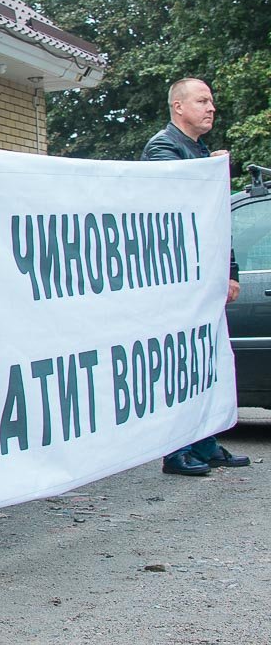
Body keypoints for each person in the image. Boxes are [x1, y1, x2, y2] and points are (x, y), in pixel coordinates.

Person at [141, 77, 250, 476]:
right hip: (177, 279)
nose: (211, 107)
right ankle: (176, 451)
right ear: (178, 107)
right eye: (202, 100)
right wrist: (208, 171)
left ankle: (205, 443)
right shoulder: (163, 148)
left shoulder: (201, 151)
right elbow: (173, 202)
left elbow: (216, 220)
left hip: (203, 277)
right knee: (180, 363)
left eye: (211, 101)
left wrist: (229, 271)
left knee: (206, 362)